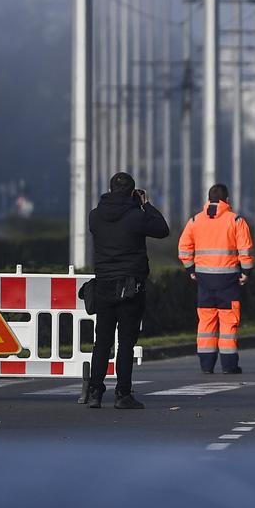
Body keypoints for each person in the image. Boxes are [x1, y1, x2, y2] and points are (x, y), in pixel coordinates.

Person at [87, 172, 170, 409]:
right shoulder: (136, 217)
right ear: (132, 192)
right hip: (130, 287)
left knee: (101, 342)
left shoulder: (95, 216)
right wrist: (146, 205)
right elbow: (162, 229)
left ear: (110, 189)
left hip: (103, 285)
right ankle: (122, 394)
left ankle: (95, 392)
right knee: (125, 343)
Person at [178, 183, 254, 375]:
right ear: (226, 200)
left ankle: (206, 365)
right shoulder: (236, 220)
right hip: (228, 280)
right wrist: (246, 272)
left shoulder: (195, 221)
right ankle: (229, 366)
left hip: (203, 280)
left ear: (208, 199)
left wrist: (190, 269)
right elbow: (245, 250)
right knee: (228, 323)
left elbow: (184, 248)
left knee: (206, 323)